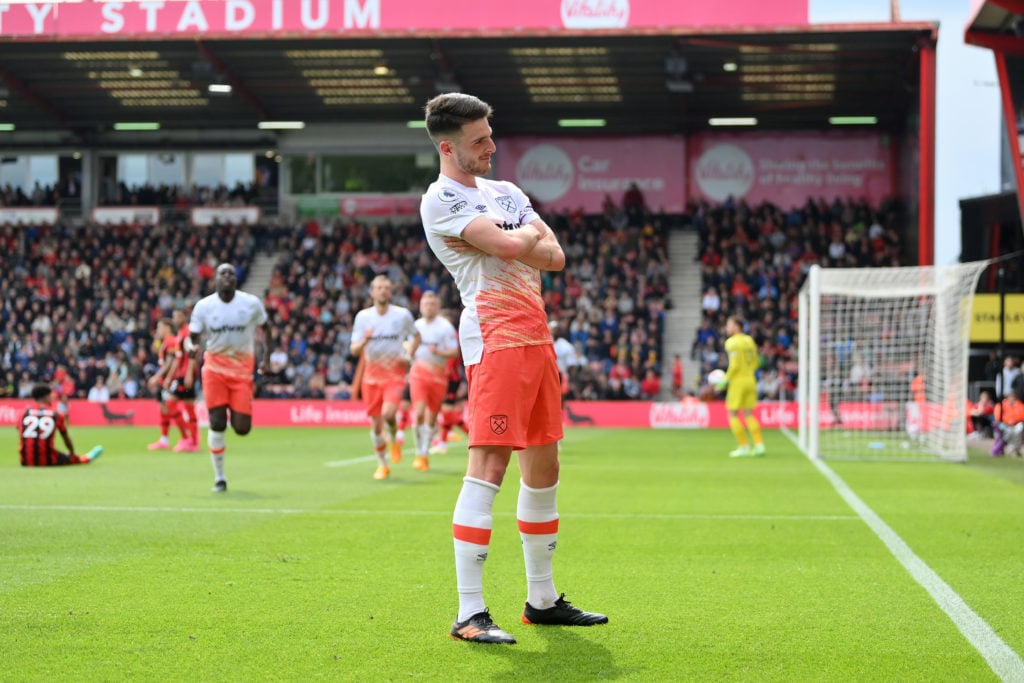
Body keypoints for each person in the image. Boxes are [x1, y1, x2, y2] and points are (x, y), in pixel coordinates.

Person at [420, 92, 607, 645]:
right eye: (479, 141)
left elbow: (556, 256)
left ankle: (542, 599)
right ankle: (469, 612)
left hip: (536, 338)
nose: (491, 147)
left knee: (544, 470)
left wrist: (514, 243)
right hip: (495, 341)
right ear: (449, 147)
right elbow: (514, 245)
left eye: (490, 135)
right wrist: (521, 241)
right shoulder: (441, 199)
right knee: (488, 468)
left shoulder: (505, 191)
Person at [188, 263, 271, 493]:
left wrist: (266, 359)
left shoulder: (250, 304)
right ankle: (219, 478)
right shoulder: (204, 306)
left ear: (236, 279)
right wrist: (191, 347)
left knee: (242, 428)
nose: (227, 277)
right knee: (217, 422)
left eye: (231, 273)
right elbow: (191, 337)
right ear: (215, 279)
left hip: (242, 371)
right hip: (214, 369)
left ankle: (236, 418)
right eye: (222, 273)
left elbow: (267, 328)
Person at [350, 274, 421, 480]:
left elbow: (416, 336)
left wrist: (408, 356)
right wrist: (365, 341)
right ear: (371, 292)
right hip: (371, 378)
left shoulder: (402, 315)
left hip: (393, 375)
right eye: (378, 287)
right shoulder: (363, 317)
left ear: (391, 292)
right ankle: (382, 464)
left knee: (389, 414)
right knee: (375, 424)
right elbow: (354, 350)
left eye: (386, 287)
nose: (382, 290)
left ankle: (393, 438)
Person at [409, 290, 459, 471]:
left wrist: (438, 352)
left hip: (438, 376)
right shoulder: (415, 326)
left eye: (432, 304)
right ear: (421, 306)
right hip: (418, 374)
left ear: (438, 307)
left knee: (431, 416)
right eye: (425, 304)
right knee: (419, 412)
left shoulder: (445, 327)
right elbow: (407, 348)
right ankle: (419, 453)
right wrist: (409, 353)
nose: (428, 307)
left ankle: (424, 452)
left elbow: (454, 352)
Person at [18, 383, 102, 467]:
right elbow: (66, 439)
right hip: (48, 460)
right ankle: (87, 458)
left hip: (25, 460)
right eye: (51, 395)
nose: (52, 398)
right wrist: (72, 453)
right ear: (46, 397)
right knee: (72, 458)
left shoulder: (23, 413)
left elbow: (21, 432)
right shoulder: (56, 414)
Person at [716, 315, 765, 457]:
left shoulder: (731, 342)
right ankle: (759, 445)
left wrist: (725, 379)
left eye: (729, 324)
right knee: (749, 414)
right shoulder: (749, 340)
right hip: (751, 380)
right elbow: (756, 362)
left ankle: (743, 446)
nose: (727, 328)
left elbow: (735, 365)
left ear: (736, 327)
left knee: (732, 414)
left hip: (738, 382)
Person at [147, 318, 190, 451]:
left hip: (169, 380)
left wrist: (159, 377)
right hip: (164, 380)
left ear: (167, 328)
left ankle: (186, 437)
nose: (158, 330)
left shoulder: (171, 340)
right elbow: (155, 351)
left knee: (171, 406)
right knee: (163, 408)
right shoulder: (165, 342)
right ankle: (164, 439)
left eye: (160, 327)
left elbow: (171, 361)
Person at [169, 307, 200, 452]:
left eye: (178, 316)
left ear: (184, 318)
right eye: (174, 316)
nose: (176, 319)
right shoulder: (180, 334)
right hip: (181, 374)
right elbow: (178, 358)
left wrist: (189, 374)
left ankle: (189, 439)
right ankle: (191, 440)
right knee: (187, 406)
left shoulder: (187, 333)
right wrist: (171, 376)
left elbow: (192, 353)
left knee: (172, 403)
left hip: (187, 374)